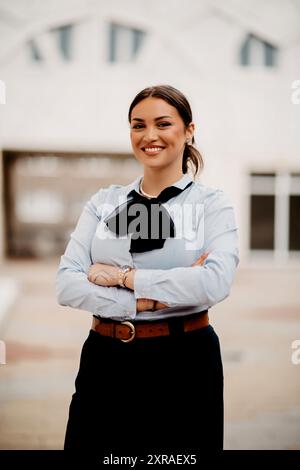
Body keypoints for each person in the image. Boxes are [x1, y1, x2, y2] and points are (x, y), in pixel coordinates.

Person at [56, 84, 239, 453]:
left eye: (163, 123)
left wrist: (124, 279)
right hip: (104, 358)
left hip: (184, 360)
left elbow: (214, 282)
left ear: (188, 130)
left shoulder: (211, 205)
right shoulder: (104, 202)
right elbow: (67, 284)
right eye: (138, 125)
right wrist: (143, 303)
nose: (149, 135)